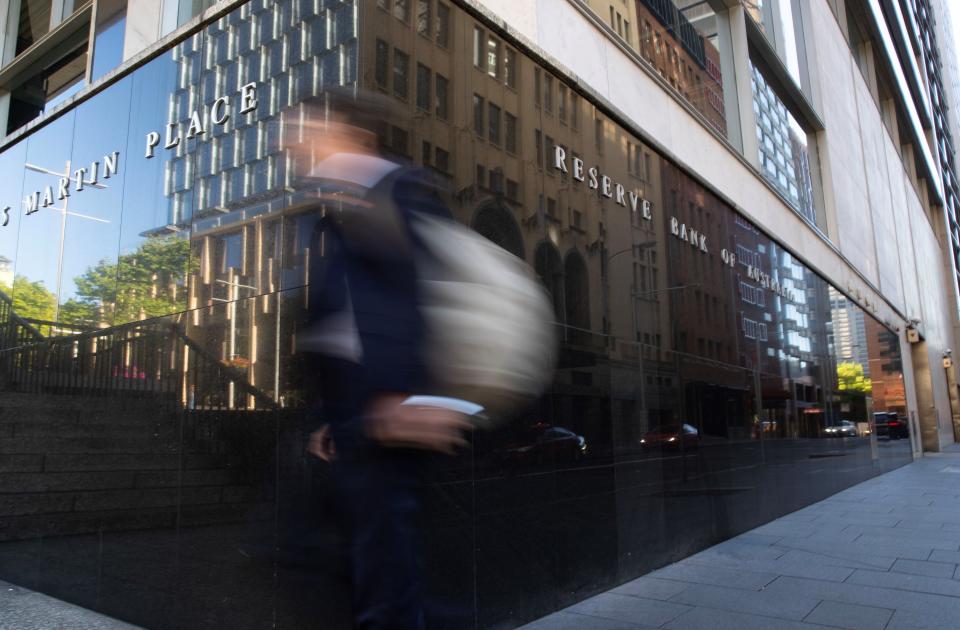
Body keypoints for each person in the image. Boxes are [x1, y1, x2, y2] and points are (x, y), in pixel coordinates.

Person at [294, 90, 470, 630]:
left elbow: (425, 297)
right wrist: (328, 412)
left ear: (356, 136)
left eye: (309, 128)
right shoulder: (334, 213)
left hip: (396, 413)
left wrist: (407, 393)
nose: (295, 142)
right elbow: (342, 322)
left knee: (389, 580)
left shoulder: (401, 192)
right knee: (374, 573)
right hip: (357, 416)